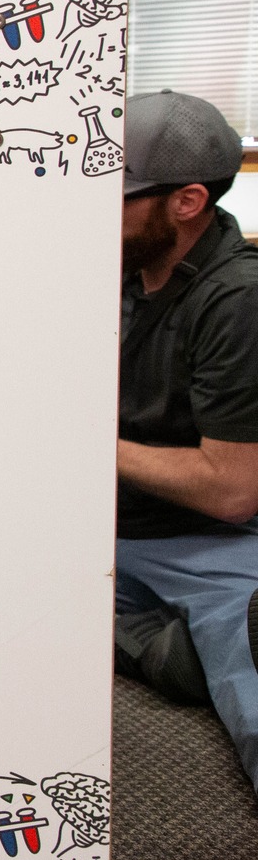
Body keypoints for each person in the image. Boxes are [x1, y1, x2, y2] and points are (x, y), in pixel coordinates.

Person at [109, 90, 258, 793]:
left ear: (187, 200)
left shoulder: (238, 300)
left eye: (121, 195)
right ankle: (165, 648)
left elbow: (231, 488)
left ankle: (176, 644)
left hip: (213, 541)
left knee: (253, 689)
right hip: (105, 527)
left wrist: (83, 443)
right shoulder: (119, 266)